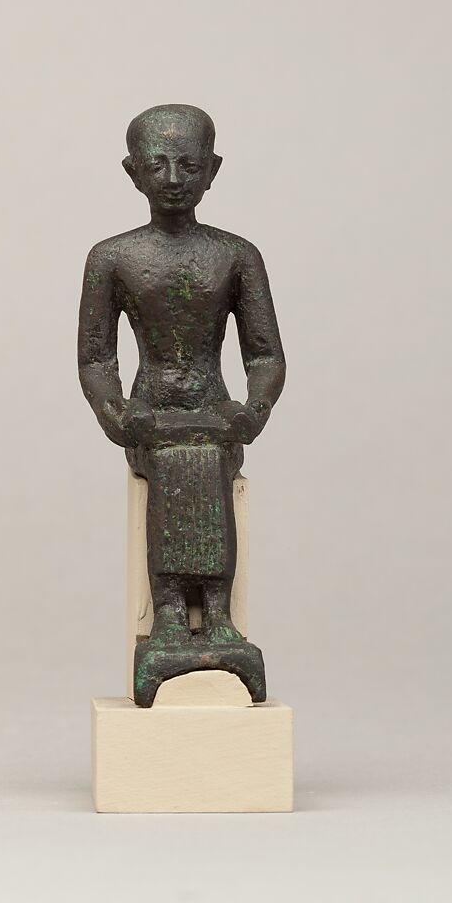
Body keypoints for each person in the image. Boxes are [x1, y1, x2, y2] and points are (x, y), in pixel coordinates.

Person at [78, 104, 285, 698]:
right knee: (176, 459)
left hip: (216, 413)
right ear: (133, 172)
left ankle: (217, 614)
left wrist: (252, 411)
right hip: (150, 416)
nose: (173, 179)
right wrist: (117, 415)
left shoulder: (236, 255)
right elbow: (96, 359)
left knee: (208, 454)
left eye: (188, 166)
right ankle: (170, 612)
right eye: (157, 165)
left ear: (212, 170)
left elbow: (265, 355)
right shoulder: (112, 257)